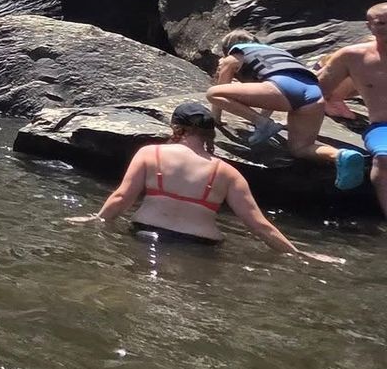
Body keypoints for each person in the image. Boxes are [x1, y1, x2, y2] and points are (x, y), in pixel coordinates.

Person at [71, 101, 340, 262]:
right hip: (200, 248)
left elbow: (121, 198)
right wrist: (298, 254)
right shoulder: (227, 172)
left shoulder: (150, 153)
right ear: (210, 134)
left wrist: (96, 219)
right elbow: (259, 225)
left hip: (145, 236)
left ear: (176, 128)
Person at [207, 31, 342, 161]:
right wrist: (264, 116)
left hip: (282, 89)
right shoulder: (276, 52)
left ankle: (263, 124)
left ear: (227, 48)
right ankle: (341, 155)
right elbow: (272, 89)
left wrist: (216, 120)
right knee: (301, 148)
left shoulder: (234, 56)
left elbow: (220, 88)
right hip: (314, 95)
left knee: (213, 93)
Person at [315, 2, 387, 209]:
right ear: (369, 26)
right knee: (384, 159)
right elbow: (315, 88)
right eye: (381, 23)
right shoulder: (352, 56)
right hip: (383, 127)